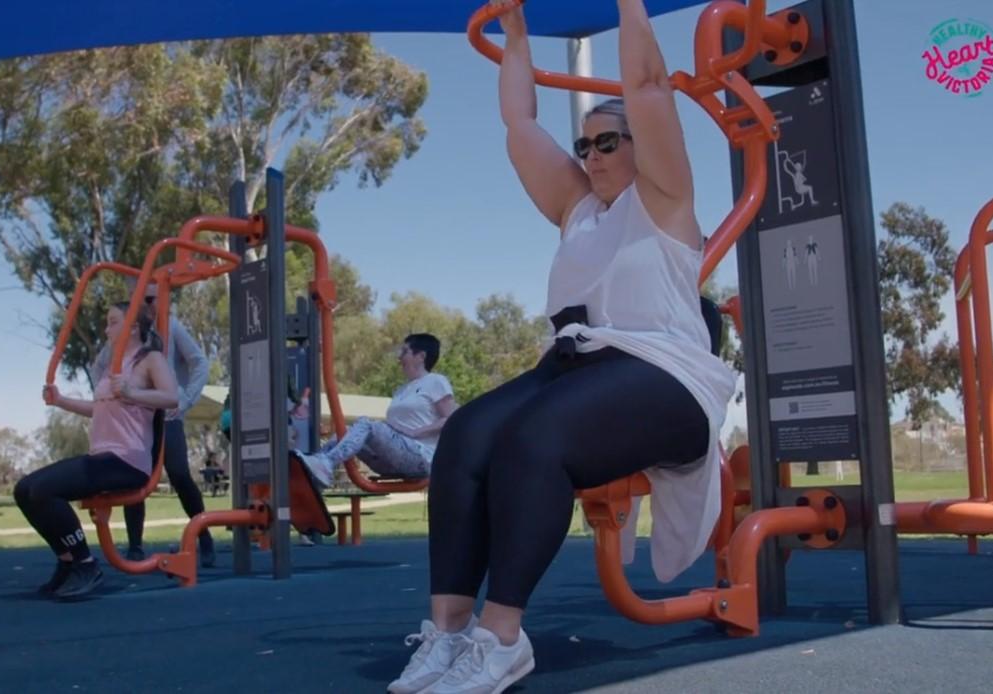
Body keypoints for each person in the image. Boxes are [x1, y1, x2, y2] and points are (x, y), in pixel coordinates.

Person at [386, 2, 737, 692]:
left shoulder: (665, 201)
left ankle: (502, 637)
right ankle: (449, 634)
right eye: (585, 146)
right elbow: (520, 124)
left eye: (609, 143)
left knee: (534, 439)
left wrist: (628, 6)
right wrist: (516, 37)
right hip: (575, 368)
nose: (592, 156)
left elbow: (647, 88)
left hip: (666, 375)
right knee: (464, 439)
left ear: (643, 146)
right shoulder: (578, 213)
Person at [15, 302, 178, 599]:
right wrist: (61, 401)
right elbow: (100, 410)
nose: (106, 329)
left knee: (44, 491)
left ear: (133, 327)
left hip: (127, 460)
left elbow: (171, 397)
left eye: (112, 322)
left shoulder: (149, 359)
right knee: (24, 489)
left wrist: (132, 393)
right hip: (102, 456)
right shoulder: (111, 368)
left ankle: (86, 564)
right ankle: (67, 562)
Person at [90, 280, 215, 568]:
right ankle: (135, 546)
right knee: (136, 474)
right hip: (137, 416)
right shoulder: (129, 334)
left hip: (167, 414)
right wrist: (107, 396)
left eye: (151, 300)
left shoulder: (171, 326)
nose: (148, 306)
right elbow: (98, 366)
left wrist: (184, 401)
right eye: (142, 300)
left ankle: (205, 538)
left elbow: (200, 362)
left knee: (180, 474)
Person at [296, 334, 456, 488]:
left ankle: (326, 463)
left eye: (405, 351)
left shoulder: (435, 381)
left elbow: (451, 418)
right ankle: (314, 466)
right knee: (345, 431)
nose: (399, 357)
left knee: (366, 423)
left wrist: (417, 432)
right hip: (391, 460)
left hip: (421, 457)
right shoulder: (401, 390)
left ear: (421, 356)